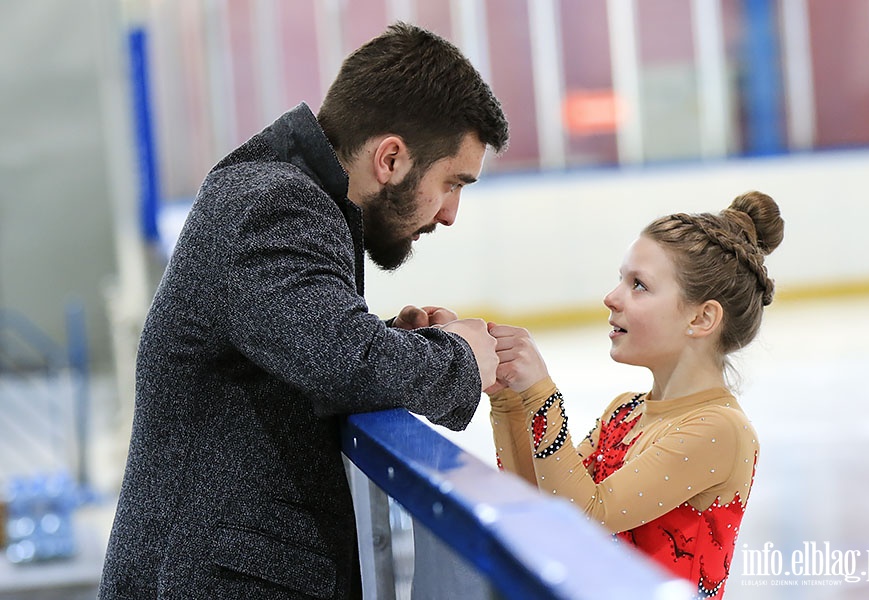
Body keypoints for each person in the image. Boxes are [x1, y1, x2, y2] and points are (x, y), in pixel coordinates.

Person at [99, 22, 508, 599]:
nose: (449, 214)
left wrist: (396, 341)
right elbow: (339, 359)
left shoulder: (291, 198)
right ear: (391, 157)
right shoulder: (272, 203)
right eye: (452, 182)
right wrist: (459, 358)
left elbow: (303, 353)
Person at [487, 192, 784, 599]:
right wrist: (507, 397)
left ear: (702, 318)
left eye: (639, 285)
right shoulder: (625, 410)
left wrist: (541, 396)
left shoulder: (718, 430)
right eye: (621, 279)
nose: (611, 297)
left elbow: (587, 515)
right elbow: (543, 509)